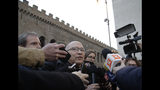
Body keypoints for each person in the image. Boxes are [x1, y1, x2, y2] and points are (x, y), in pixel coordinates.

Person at [18, 46, 89, 90]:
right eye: (74, 49)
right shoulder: (51, 66)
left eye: (82, 50)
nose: (79, 52)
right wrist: (74, 79)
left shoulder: (88, 70)